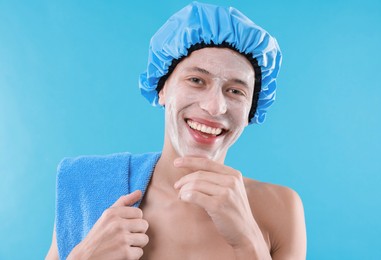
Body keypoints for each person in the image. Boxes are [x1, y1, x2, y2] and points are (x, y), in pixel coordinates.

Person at [46, 2, 306, 259]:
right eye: (196, 80)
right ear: (162, 89)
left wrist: (249, 242)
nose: (215, 107)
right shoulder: (86, 187)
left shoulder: (280, 209)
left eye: (236, 91)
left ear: (252, 109)